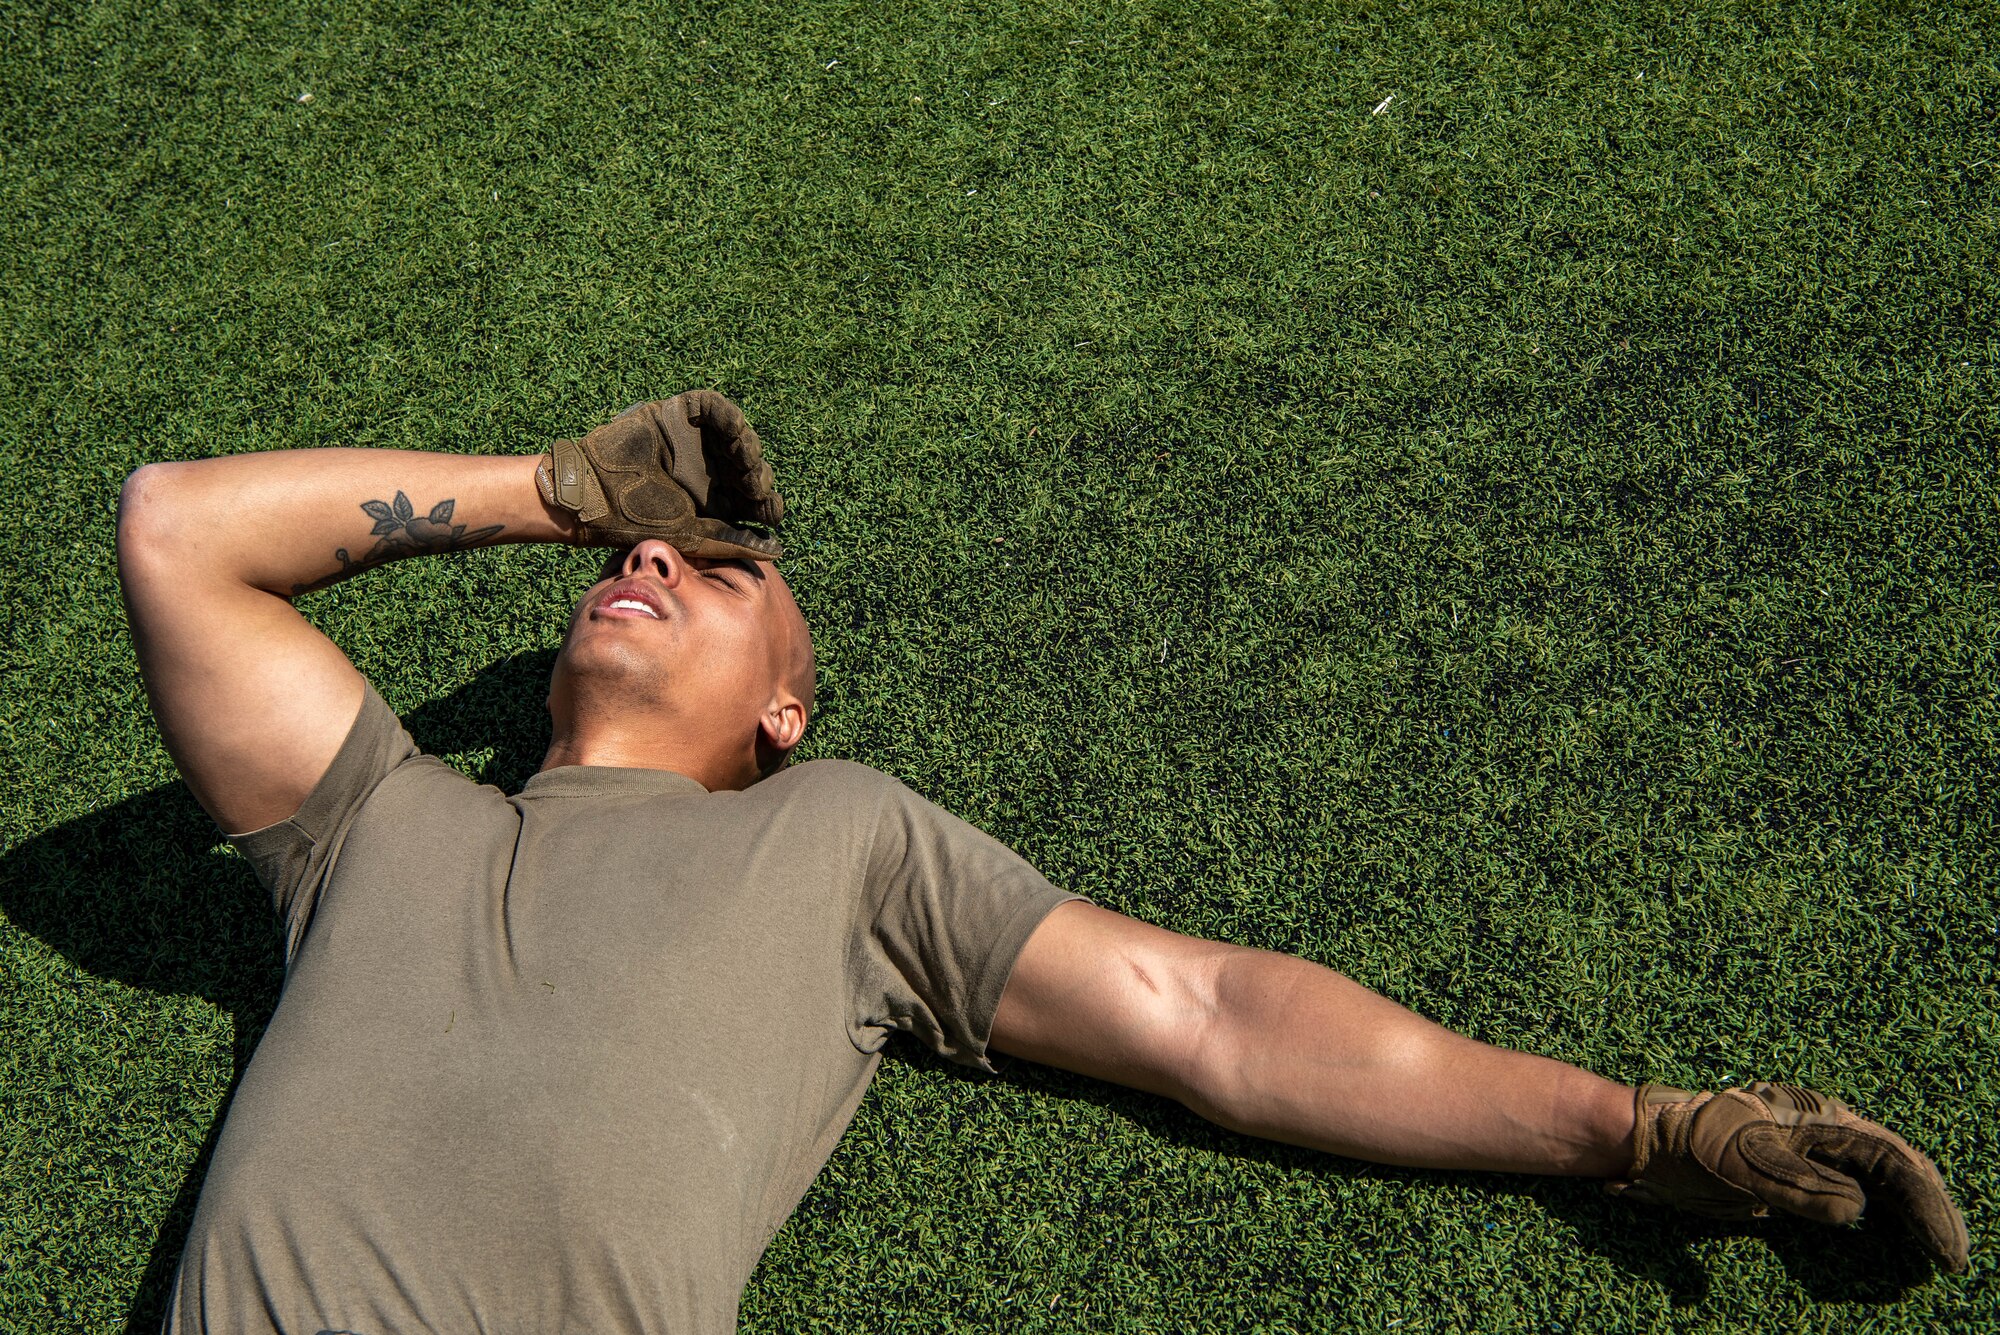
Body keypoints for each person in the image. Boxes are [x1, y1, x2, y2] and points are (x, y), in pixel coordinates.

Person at [116, 393, 1969, 1334]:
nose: (655, 567)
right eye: (638, 554)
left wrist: (1637, 1134)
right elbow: (180, 528)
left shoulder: (833, 838)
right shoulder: (381, 822)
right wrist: (566, 490)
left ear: (785, 713)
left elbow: (1211, 1015)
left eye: (722, 569)